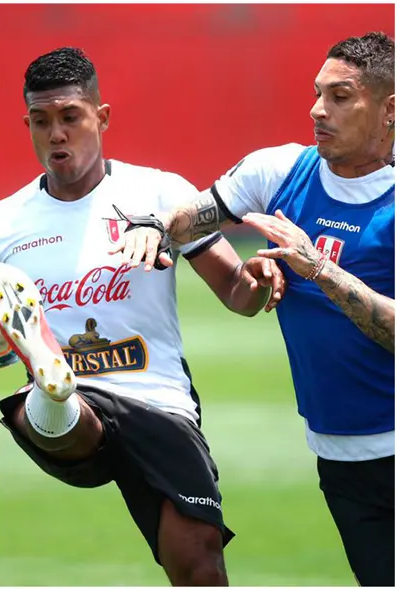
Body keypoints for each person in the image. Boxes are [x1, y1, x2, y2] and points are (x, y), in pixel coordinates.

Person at [0, 47, 289, 586]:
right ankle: (51, 383)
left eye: (70, 117)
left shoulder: (160, 193)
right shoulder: (2, 224)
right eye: (41, 121)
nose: (56, 134)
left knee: (200, 564)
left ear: (100, 117)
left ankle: (50, 386)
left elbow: (235, 293)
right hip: (75, 409)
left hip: (159, 399)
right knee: (69, 411)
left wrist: (260, 280)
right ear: (28, 124)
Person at [113, 32, 394, 586]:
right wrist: (154, 228)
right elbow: (195, 216)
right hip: (340, 456)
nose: (318, 110)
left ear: (390, 110)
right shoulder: (279, 171)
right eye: (317, 94)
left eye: (340, 97)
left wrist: (318, 269)